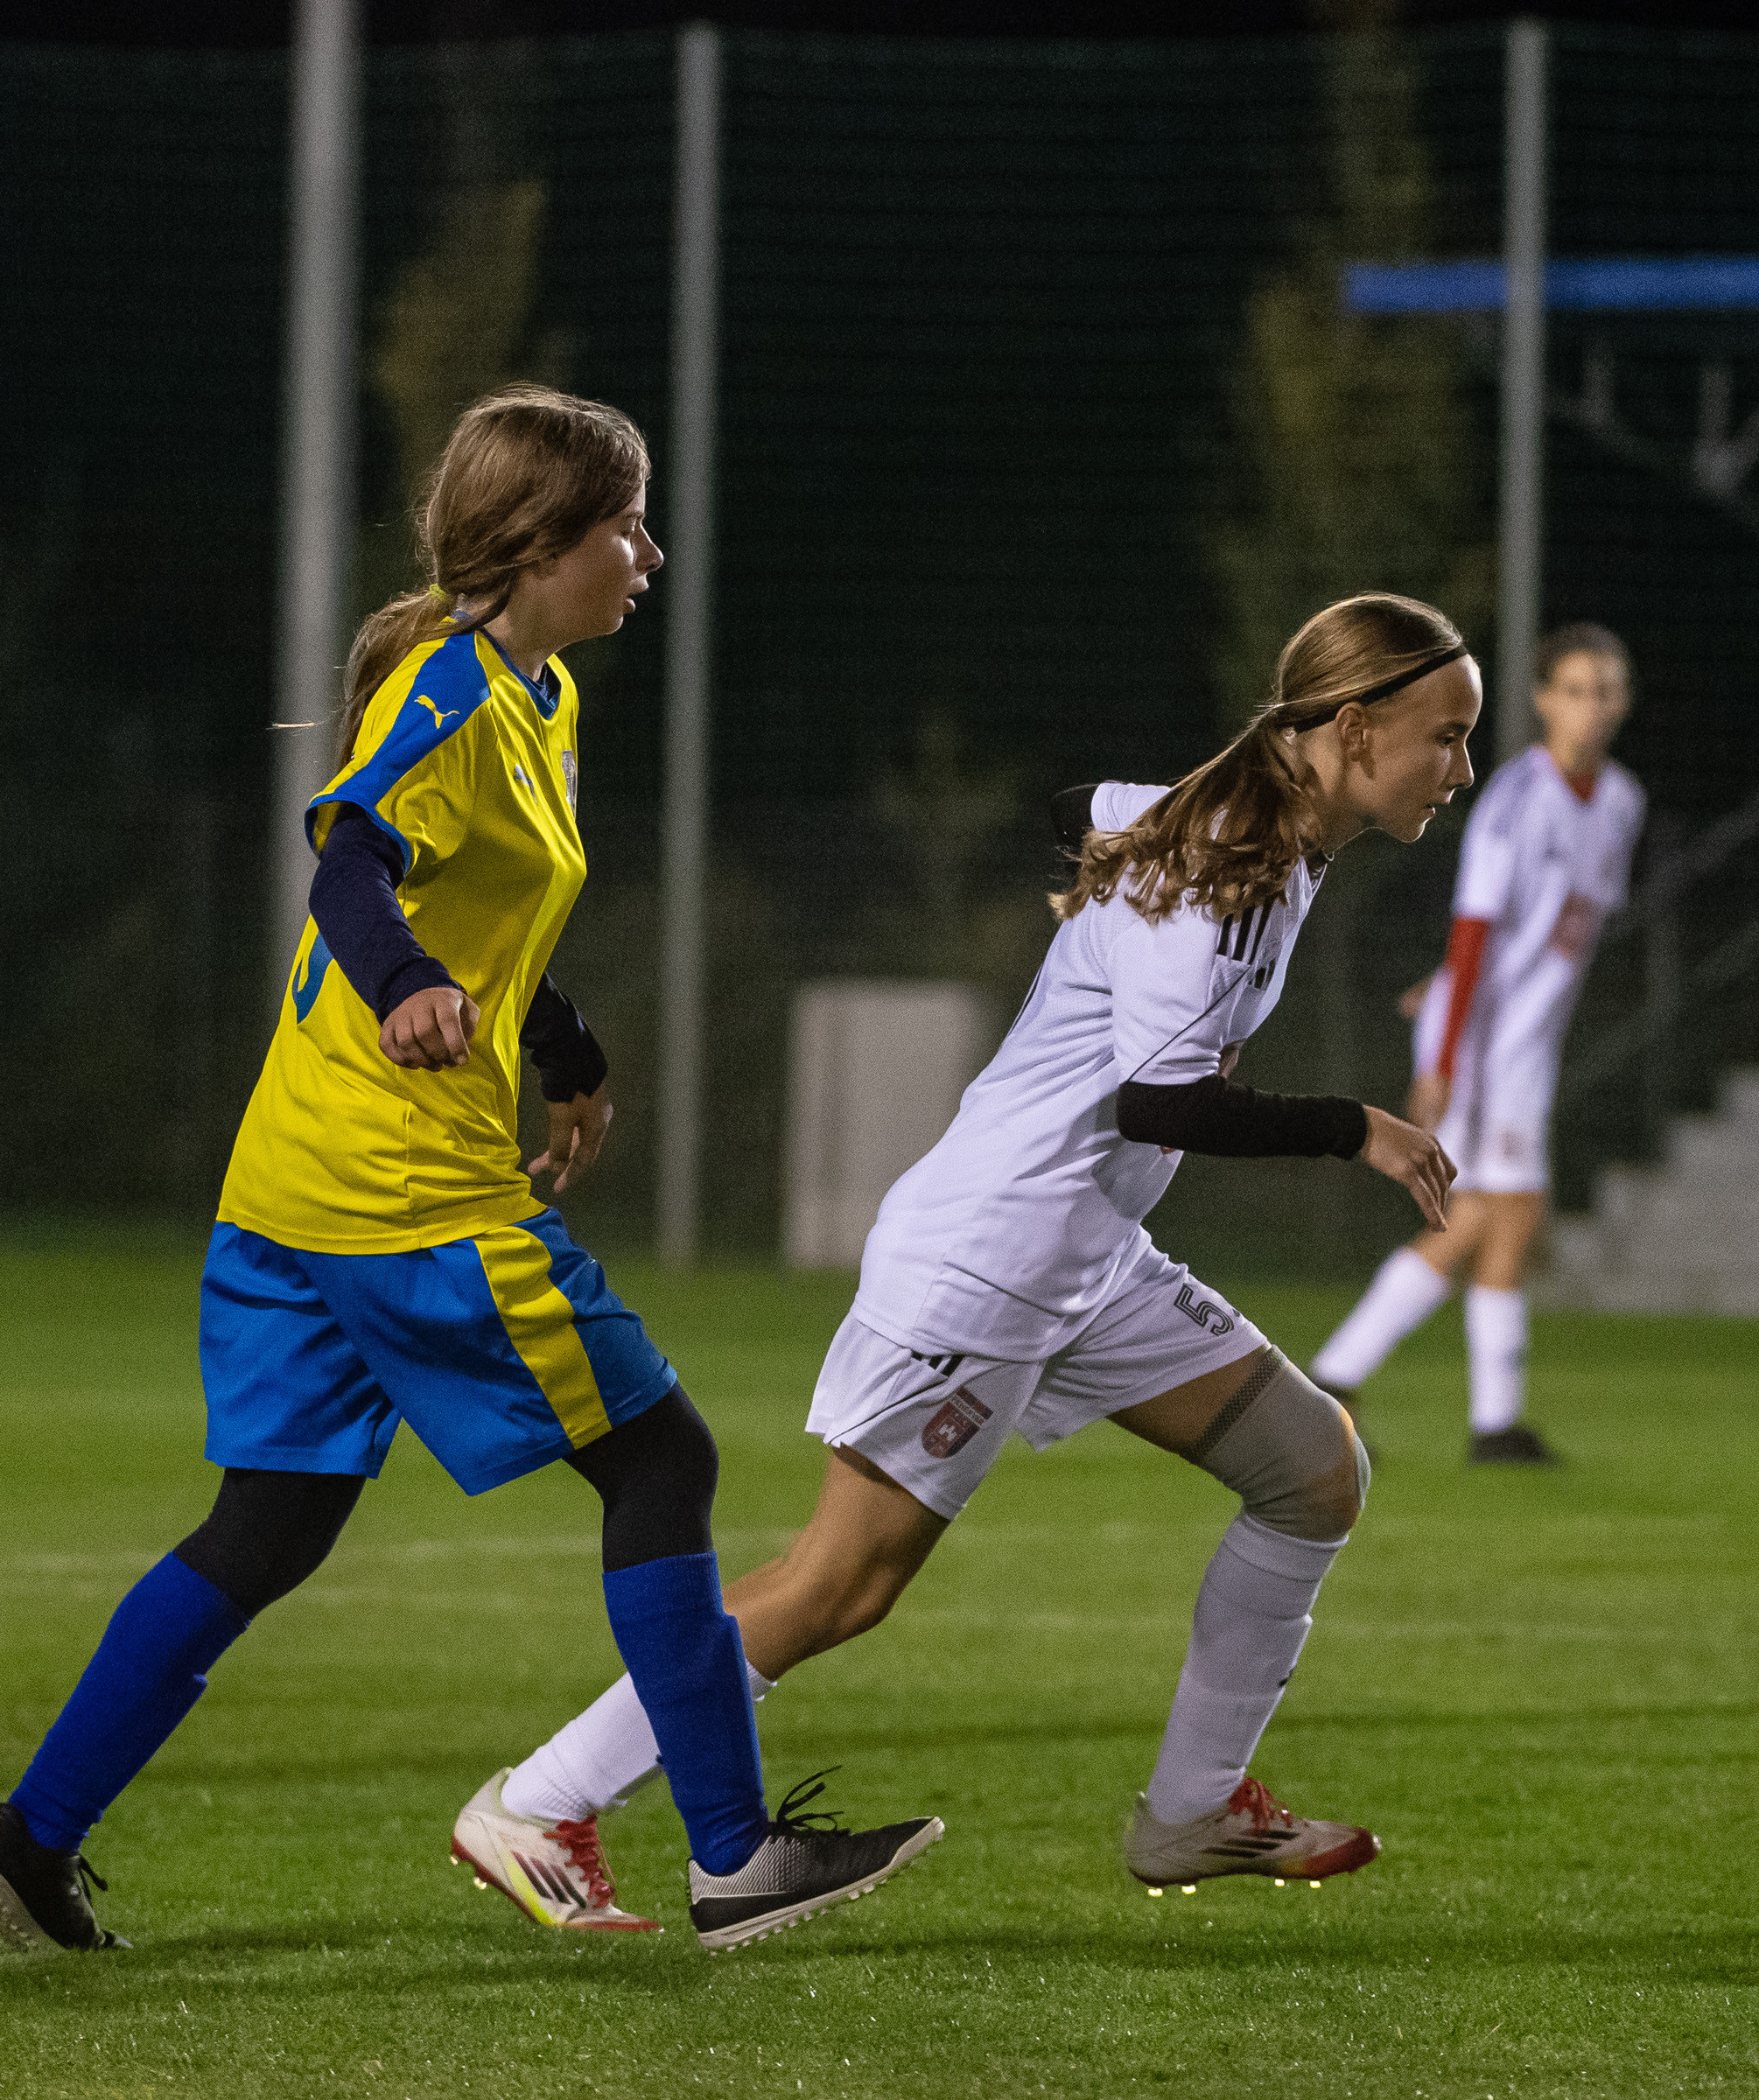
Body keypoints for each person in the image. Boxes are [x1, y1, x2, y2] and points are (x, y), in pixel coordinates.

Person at [0, 386, 938, 1956]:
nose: (649, 555)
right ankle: (735, 1853)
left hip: (295, 1180)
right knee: (661, 1459)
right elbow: (352, 855)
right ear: (538, 546)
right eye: (626, 527)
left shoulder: (540, 694)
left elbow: (483, 911)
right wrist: (404, 981)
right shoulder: (449, 692)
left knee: (269, 1523)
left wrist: (565, 1046)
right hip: (398, 1187)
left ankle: (27, 1837)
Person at [445, 592, 1479, 1908]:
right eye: (1447, 736)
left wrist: (1107, 901)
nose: (1460, 768)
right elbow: (1162, 1106)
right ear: (1354, 727)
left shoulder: (1230, 819)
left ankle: (1193, 1812)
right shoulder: (1233, 861)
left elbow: (1076, 806)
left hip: (1085, 1257)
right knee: (836, 1587)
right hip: (990, 1261)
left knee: (1314, 1469)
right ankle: (539, 1803)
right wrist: (1358, 1128)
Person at [1307, 623, 1644, 1465]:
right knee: (1501, 1217)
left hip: (1524, 1042)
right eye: (1575, 690)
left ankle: (1483, 1419)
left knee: (1492, 1227)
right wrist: (1445, 1058)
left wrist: (1448, 984)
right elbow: (1475, 929)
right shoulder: (1516, 801)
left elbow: (1543, 935)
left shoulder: (1620, 802)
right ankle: (1343, 1380)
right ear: (1542, 701)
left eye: (1607, 690)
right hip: (1485, 1047)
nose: (1593, 707)